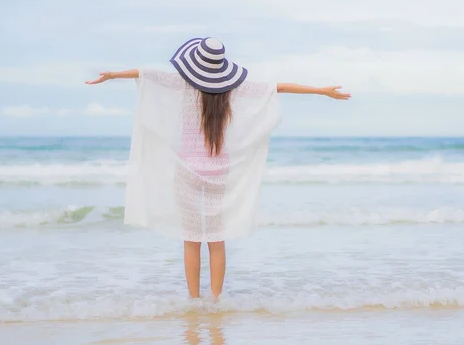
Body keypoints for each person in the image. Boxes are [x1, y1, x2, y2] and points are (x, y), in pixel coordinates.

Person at [86, 37, 350, 299]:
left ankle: (194, 299)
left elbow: (146, 74)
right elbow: (277, 88)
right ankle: (215, 300)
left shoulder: (181, 83)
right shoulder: (232, 90)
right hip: (218, 172)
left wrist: (112, 75)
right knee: (216, 240)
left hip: (186, 169)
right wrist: (320, 91)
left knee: (191, 241)